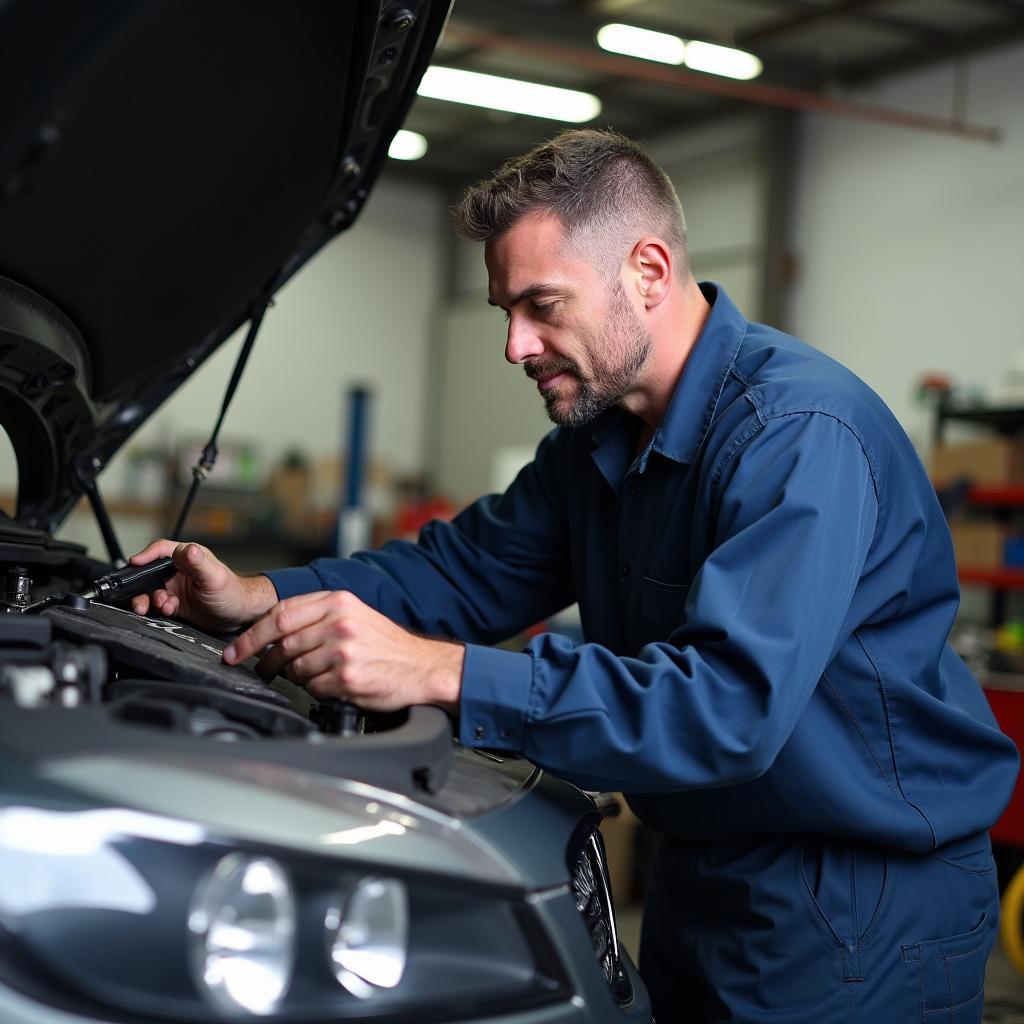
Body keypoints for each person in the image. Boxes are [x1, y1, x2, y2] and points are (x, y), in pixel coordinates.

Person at [132, 129, 1018, 1023]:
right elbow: (459, 571)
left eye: (542, 305)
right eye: (504, 312)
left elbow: (726, 707)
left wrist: (440, 671)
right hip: (703, 875)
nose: (517, 345)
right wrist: (260, 598)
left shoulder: (799, 435)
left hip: (857, 902)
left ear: (648, 270)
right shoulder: (594, 444)